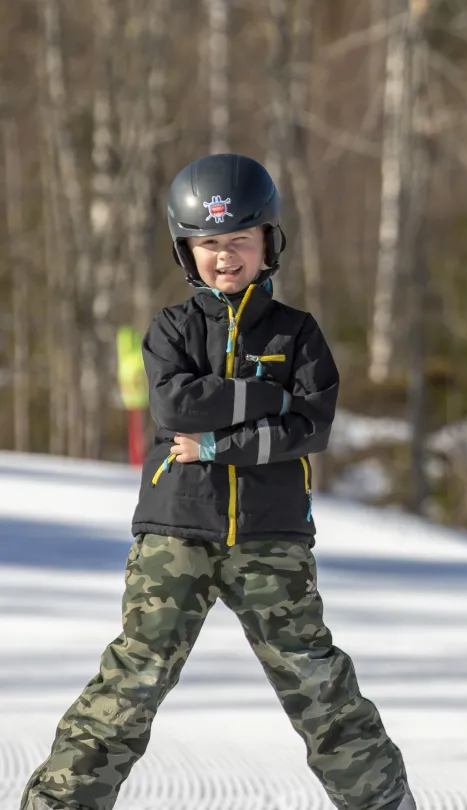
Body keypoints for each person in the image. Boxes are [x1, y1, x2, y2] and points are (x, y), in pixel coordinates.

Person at [21, 154, 414, 810]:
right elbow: (175, 405)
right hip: (176, 532)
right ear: (186, 251)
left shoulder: (298, 334)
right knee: (130, 686)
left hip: (272, 539)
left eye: (238, 241)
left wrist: (219, 441)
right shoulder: (173, 329)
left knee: (320, 688)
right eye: (208, 244)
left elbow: (312, 424)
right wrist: (269, 395)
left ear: (268, 243)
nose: (224, 257)